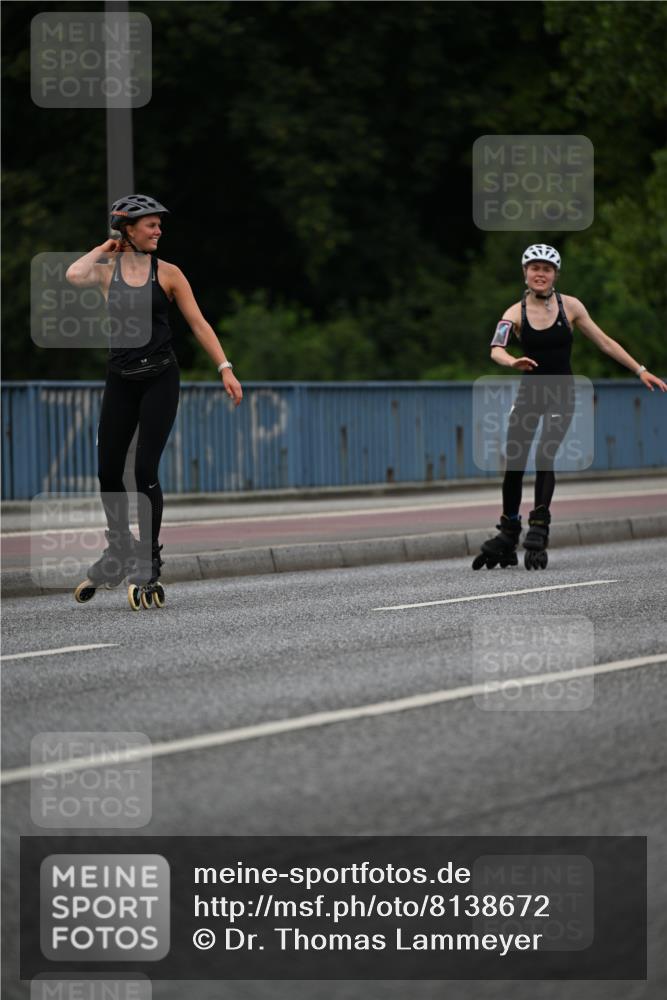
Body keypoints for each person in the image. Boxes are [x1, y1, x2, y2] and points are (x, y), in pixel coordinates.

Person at [66, 194, 243, 607]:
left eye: (160, 224)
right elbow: (74, 275)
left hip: (160, 378)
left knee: (144, 469)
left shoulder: (168, 273)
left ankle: (148, 561)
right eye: (150, 224)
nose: (158, 230)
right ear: (127, 228)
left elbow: (198, 323)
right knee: (108, 472)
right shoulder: (106, 270)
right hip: (121, 379)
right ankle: (119, 548)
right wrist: (101, 248)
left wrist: (225, 367)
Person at [472, 243, 666, 570]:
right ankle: (508, 532)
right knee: (515, 461)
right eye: (534, 268)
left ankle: (539, 527)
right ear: (526, 272)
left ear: (555, 275)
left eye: (546, 269)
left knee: (545, 455)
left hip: (562, 393)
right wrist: (511, 360)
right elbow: (495, 349)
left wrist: (640, 370)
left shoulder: (571, 307)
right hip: (530, 394)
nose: (540, 274)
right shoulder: (514, 312)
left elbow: (604, 342)